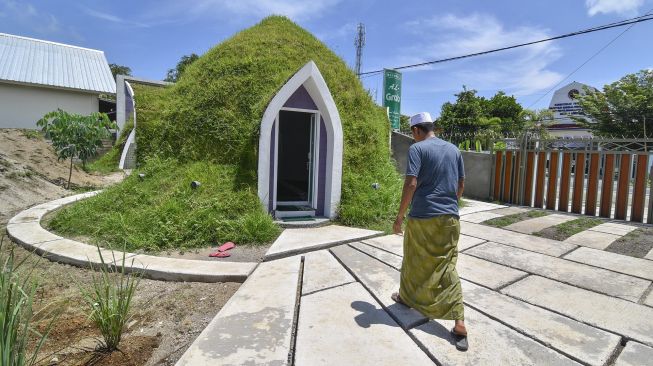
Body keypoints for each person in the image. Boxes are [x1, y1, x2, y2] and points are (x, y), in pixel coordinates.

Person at [391, 112, 468, 351]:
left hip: (422, 216)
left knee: (413, 258)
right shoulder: (454, 150)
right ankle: (459, 322)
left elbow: (411, 183)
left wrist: (400, 216)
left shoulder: (418, 149)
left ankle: (406, 297)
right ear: (432, 127)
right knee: (446, 264)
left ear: (416, 131)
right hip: (450, 218)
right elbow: (461, 184)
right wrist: (449, 205)